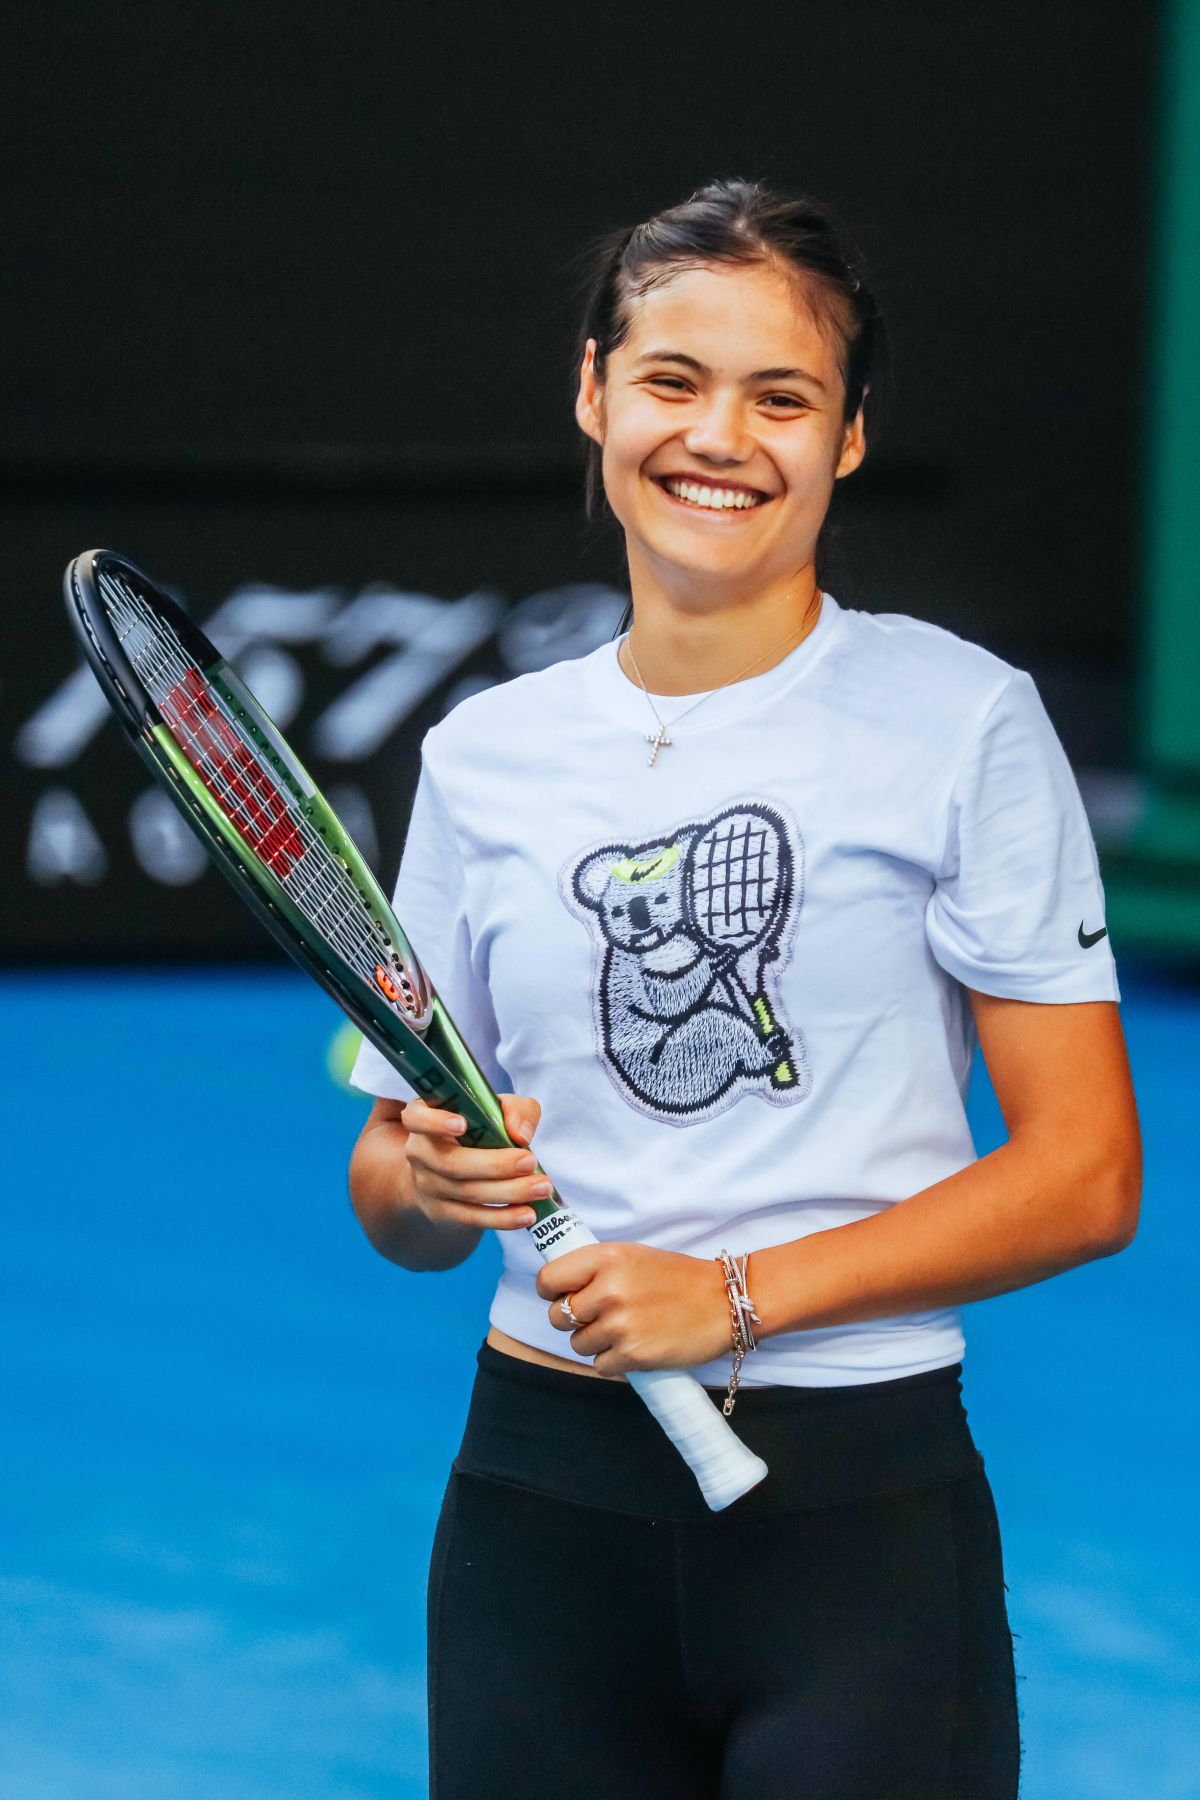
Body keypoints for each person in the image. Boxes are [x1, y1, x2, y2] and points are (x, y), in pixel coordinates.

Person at [347, 178, 1141, 1799]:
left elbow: (1088, 1176)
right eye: (672, 380)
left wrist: (735, 1295)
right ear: (595, 392)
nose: (719, 437)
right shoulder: (482, 757)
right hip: (535, 1516)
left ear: (849, 436)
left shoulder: (966, 721)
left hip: (858, 1520)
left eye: (782, 397)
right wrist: (427, 1181)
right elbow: (391, 1192)